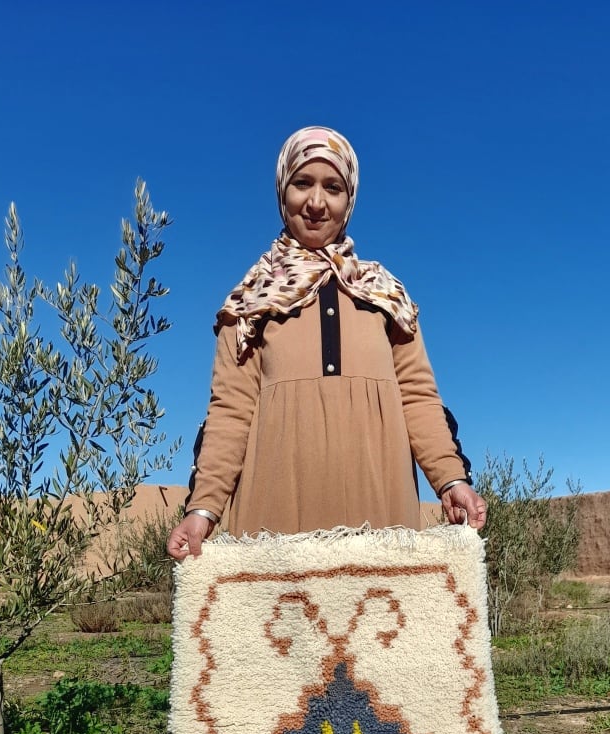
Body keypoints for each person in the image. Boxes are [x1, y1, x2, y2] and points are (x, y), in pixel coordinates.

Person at [166, 126, 487, 561]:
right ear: (283, 191)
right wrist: (202, 509)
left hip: (382, 514)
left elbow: (419, 399)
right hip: (273, 525)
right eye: (303, 183)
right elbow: (229, 415)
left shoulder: (386, 296)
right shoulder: (249, 305)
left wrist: (451, 480)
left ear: (349, 199)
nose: (316, 202)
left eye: (332, 188)